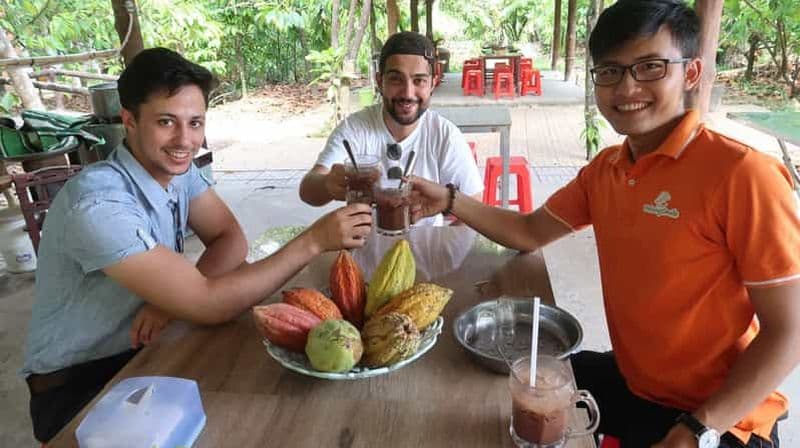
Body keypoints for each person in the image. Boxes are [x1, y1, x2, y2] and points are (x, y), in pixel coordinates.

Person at [407, 1, 800, 446]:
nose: (627, 87)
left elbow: (790, 331)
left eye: (650, 67)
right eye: (610, 71)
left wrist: (696, 428)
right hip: (636, 383)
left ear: (690, 73)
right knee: (499, 384)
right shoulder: (607, 170)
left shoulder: (743, 174)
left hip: (722, 415)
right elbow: (528, 232)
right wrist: (451, 200)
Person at [20, 47, 372, 443]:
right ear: (129, 121)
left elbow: (231, 240)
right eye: (166, 122)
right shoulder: (99, 203)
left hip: (145, 357)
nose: (184, 140)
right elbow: (209, 304)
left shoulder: (177, 170)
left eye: (195, 122)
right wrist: (313, 241)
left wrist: (171, 302)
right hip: (79, 385)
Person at [299, 31, 483, 226]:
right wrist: (327, 184)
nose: (407, 93)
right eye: (396, 79)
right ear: (380, 81)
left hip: (425, 251)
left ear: (432, 84)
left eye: (419, 80)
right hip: (363, 247)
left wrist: (443, 248)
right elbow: (307, 190)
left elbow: (475, 202)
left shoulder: (444, 134)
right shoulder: (355, 129)